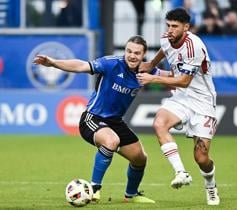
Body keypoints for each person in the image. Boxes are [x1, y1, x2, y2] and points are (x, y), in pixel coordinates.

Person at [33, 35, 155, 204]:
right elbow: (81, 65)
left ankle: (131, 195)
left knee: (140, 158)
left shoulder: (147, 71)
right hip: (92, 118)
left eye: (137, 53)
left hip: (116, 122)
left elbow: (171, 76)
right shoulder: (111, 63)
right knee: (111, 141)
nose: (132, 56)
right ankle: (94, 189)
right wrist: (54, 63)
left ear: (144, 55)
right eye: (129, 51)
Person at [137, 8, 220, 206]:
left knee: (201, 157)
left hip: (202, 101)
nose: (170, 30)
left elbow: (183, 81)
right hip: (181, 97)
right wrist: (151, 64)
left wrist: (152, 77)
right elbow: (164, 49)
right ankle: (181, 172)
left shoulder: (194, 47)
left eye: (175, 26)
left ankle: (211, 187)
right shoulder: (167, 38)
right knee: (159, 123)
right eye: (168, 25)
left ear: (186, 27)